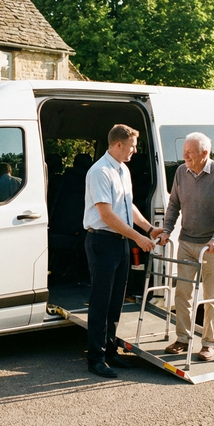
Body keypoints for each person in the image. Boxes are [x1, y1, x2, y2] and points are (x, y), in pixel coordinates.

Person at [83, 124, 163, 378]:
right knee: (101, 301)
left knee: (116, 299)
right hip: (102, 241)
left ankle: (110, 351)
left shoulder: (123, 170)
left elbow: (128, 206)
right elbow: (107, 215)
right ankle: (95, 359)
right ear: (118, 145)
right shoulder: (100, 172)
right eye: (132, 146)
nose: (135, 151)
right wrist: (138, 238)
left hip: (120, 242)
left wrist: (149, 229)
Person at [159, 132, 214, 362]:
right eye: (184, 152)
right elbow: (174, 204)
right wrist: (166, 230)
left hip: (211, 247)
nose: (185, 156)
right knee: (183, 293)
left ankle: (209, 344)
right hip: (186, 242)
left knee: (212, 296)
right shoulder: (181, 172)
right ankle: (183, 338)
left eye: (190, 153)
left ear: (204, 153)